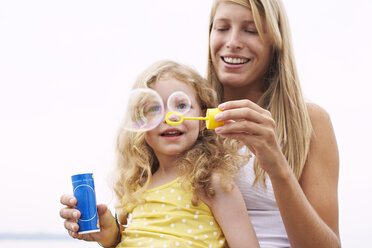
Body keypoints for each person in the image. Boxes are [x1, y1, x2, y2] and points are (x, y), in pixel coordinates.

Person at [60, 60, 259, 248]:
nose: (169, 117)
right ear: (139, 124)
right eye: (153, 109)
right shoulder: (137, 184)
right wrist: (108, 234)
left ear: (203, 119)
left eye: (181, 106)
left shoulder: (211, 182)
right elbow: (128, 238)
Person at [207, 0, 341, 247]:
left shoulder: (310, 122)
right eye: (223, 27)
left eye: (251, 30)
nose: (233, 41)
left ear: (275, 44)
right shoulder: (187, 122)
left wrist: (277, 166)